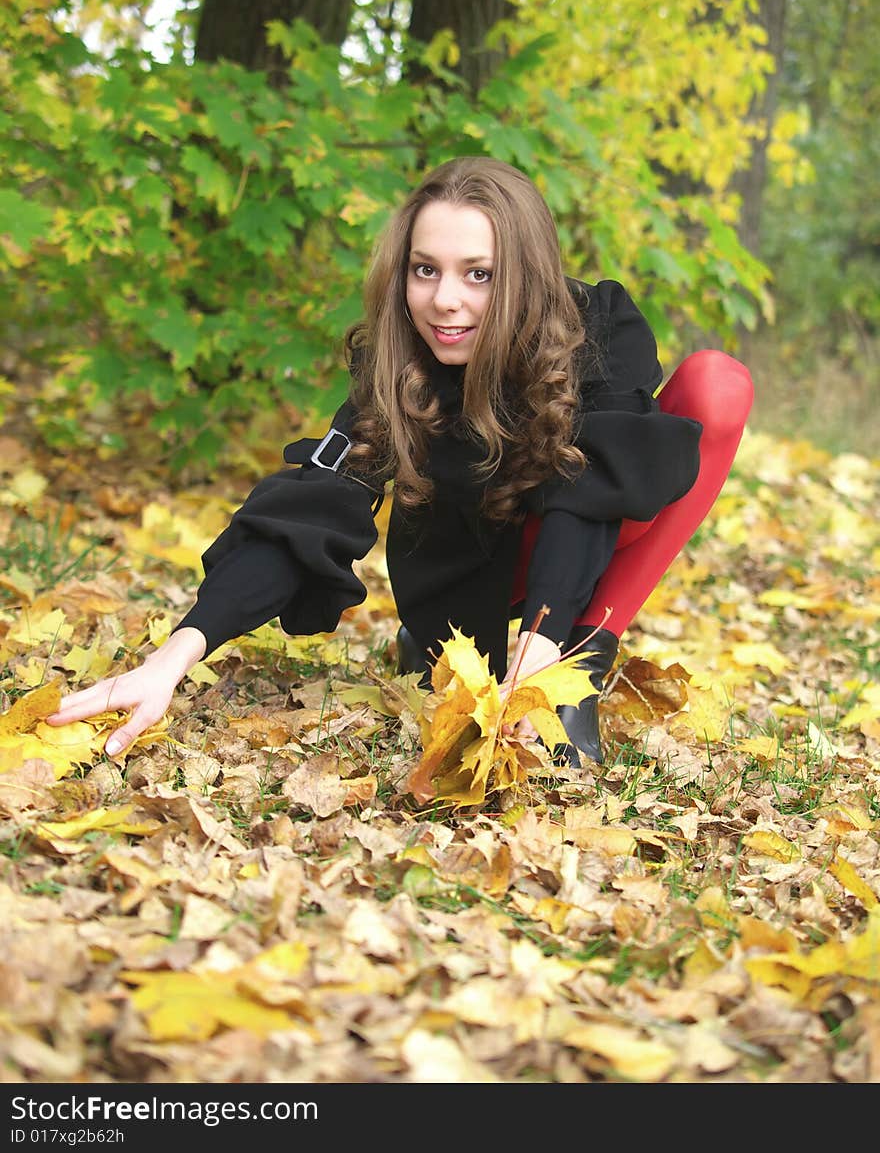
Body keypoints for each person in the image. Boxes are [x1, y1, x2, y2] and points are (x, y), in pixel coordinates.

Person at [47, 157, 754, 768]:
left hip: (564, 552)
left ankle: (580, 663)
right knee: (450, 602)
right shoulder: (395, 365)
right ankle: (440, 643)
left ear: (525, 276)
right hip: (462, 575)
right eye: (426, 270)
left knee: (714, 389)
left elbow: (596, 480)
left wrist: (545, 650)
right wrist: (175, 654)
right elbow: (312, 512)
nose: (445, 300)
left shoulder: (597, 325)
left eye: (479, 274)